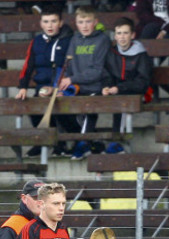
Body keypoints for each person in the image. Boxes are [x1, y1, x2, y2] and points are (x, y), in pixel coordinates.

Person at [15, 6, 73, 157]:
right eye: (46, 21)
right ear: (41, 23)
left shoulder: (69, 40)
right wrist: (23, 87)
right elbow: (28, 65)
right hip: (42, 88)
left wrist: (59, 87)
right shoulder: (36, 41)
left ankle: (64, 144)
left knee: (60, 110)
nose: (50, 25)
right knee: (33, 107)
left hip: (62, 87)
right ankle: (43, 142)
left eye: (53, 21)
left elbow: (71, 66)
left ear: (60, 23)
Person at [57, 5, 110, 160]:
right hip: (78, 86)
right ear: (76, 22)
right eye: (81, 22)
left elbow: (97, 71)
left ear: (95, 22)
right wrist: (64, 85)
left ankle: (84, 143)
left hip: (96, 86)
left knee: (86, 111)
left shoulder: (102, 40)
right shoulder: (75, 39)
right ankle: (96, 143)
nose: (84, 26)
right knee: (60, 109)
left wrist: (71, 79)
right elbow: (68, 66)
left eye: (88, 22)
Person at [102, 17, 153, 154]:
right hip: (117, 91)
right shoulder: (111, 53)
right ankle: (90, 142)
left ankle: (117, 141)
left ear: (132, 35)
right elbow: (107, 75)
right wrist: (107, 87)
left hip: (139, 92)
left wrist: (120, 88)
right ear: (115, 35)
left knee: (123, 100)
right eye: (119, 33)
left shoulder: (141, 54)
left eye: (125, 33)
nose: (122, 37)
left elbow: (143, 82)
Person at [135, 0, 169, 72]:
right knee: (151, 28)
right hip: (152, 25)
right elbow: (142, 14)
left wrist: (165, 30)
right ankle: (140, 66)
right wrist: (161, 23)